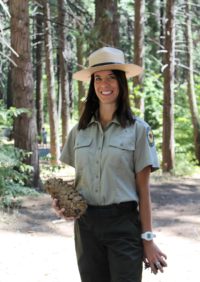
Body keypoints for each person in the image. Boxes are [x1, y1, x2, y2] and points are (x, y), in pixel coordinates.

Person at [53, 47, 167, 282]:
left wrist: (148, 239)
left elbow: (143, 192)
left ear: (121, 82)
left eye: (111, 77)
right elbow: (81, 181)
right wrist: (62, 204)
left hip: (123, 225)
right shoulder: (79, 131)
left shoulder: (139, 130)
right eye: (98, 78)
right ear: (92, 84)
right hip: (86, 227)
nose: (104, 84)